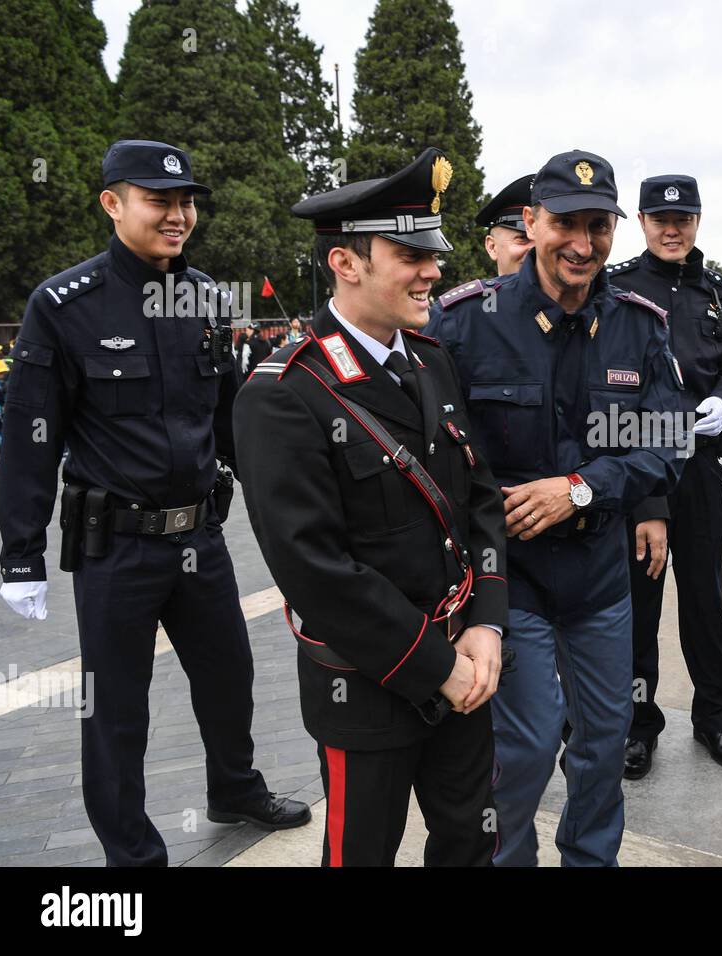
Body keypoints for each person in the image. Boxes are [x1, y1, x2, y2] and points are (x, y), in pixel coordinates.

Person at [0, 139, 309, 867]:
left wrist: (288, 499)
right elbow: (31, 436)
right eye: (159, 201)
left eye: (186, 202)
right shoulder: (63, 306)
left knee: (230, 675)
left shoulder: (205, 298)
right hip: (117, 546)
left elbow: (232, 419)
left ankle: (234, 788)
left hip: (200, 536)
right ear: (113, 203)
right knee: (116, 710)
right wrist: (20, 554)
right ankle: (131, 852)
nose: (178, 215)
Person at [233, 147, 507, 867]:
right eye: (410, 253)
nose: (434, 270)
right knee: (362, 855)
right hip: (369, 688)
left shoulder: (430, 360)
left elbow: (479, 495)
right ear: (346, 264)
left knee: (472, 845)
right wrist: (434, 665)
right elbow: (315, 571)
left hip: (465, 669)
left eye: (434, 252)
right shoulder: (283, 392)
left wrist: (487, 626)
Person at [429, 149, 684, 867]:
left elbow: (665, 446)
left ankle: (589, 859)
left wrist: (580, 489)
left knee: (605, 741)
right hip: (510, 577)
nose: (582, 242)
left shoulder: (640, 325)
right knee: (529, 741)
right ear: (532, 223)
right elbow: (440, 450)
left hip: (600, 576)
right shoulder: (466, 323)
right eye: (566, 222)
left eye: (598, 225)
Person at [606, 175, 722, 776]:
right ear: (642, 222)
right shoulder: (614, 290)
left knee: (704, 598)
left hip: (698, 469)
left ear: (697, 222)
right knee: (638, 604)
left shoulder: (720, 293)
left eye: (684, 220)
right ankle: (640, 725)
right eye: (661, 220)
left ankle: (713, 718)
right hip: (639, 468)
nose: (673, 230)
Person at [475, 174, 536, 277]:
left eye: (542, 240)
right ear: (492, 247)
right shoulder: (481, 293)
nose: (536, 249)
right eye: (523, 238)